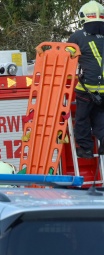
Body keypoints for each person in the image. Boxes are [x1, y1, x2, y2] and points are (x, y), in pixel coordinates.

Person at [69, 1, 104, 158]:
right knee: (100, 117)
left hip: (87, 89)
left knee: (82, 119)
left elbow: (67, 57)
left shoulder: (77, 36)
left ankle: (86, 149)